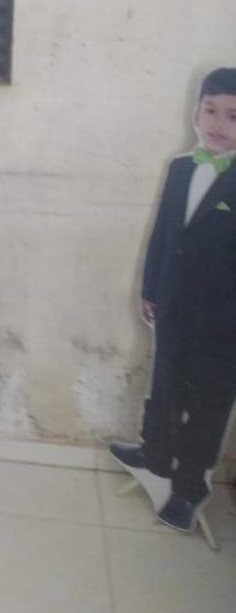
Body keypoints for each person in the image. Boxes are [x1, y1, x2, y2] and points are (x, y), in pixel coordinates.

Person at [110, 67, 236, 532]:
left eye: (233, 116)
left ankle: (189, 489)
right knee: (163, 383)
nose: (219, 124)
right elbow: (163, 234)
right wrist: (150, 289)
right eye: (211, 111)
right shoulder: (180, 167)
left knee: (208, 404)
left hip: (224, 322)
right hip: (172, 305)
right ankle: (154, 454)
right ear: (196, 112)